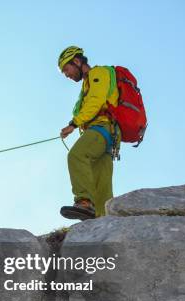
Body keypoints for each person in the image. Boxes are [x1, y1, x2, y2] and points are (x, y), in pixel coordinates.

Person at [58, 46, 120, 220]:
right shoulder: (87, 83)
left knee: (77, 156)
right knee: (101, 184)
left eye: (66, 69)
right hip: (111, 135)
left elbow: (96, 102)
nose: (66, 74)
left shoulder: (98, 73)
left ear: (77, 61)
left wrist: (73, 124)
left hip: (102, 128)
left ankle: (84, 202)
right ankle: (103, 220)